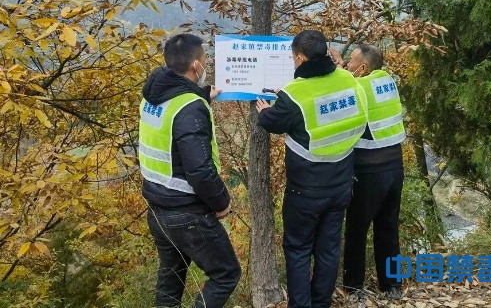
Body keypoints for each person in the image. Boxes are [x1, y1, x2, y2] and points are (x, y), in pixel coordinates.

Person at [256, 30, 368, 308]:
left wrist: (264, 110)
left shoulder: (294, 95)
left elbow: (273, 121)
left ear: (300, 58)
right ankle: (321, 303)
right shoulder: (347, 79)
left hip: (305, 190)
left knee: (298, 249)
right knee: (329, 249)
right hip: (341, 184)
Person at [138, 34, 240, 308]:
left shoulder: (152, 97)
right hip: (187, 213)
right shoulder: (190, 109)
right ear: (196, 65)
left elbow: (175, 122)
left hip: (158, 208)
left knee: (171, 278)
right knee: (226, 274)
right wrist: (221, 202)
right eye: (205, 60)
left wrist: (203, 95)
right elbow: (200, 171)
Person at [330, 44, 405, 300]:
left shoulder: (359, 87)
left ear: (362, 68)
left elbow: (340, 90)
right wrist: (343, 67)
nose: (347, 64)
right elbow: (355, 82)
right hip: (395, 167)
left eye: (351, 61)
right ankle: (392, 286)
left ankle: (353, 288)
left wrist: (336, 70)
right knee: (388, 227)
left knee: (357, 229)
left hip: (370, 171)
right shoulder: (386, 81)